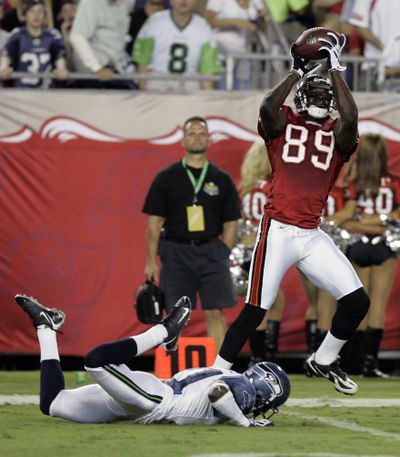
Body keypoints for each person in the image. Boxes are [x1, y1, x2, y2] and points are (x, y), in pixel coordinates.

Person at [214, 31, 371, 396]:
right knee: (255, 310)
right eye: (313, 93)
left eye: (325, 95)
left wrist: (334, 71)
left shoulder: (338, 133)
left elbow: (351, 118)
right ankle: (214, 374)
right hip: (279, 230)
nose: (320, 98)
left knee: (357, 302)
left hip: (312, 235)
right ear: (300, 98)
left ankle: (325, 359)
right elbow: (267, 107)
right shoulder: (283, 123)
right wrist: (297, 72)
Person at [15, 293, 290, 426]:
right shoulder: (240, 389)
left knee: (51, 403)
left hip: (137, 401)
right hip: (154, 399)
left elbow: (219, 380)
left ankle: (46, 327)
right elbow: (219, 394)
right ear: (265, 391)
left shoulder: (227, 373)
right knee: (96, 361)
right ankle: (163, 331)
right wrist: (246, 422)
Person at [143, 116, 241, 351]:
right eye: (192, 133)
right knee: (175, 315)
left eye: (201, 133)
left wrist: (223, 252)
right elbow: (154, 224)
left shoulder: (222, 179)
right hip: (175, 251)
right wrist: (150, 262)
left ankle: (219, 371)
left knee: (215, 312)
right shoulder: (166, 178)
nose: (197, 137)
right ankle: (173, 374)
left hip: (211, 251)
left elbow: (231, 222)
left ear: (209, 140)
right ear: (183, 140)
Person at [341, 134, 400, 378]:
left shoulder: (353, 182)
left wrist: (363, 223)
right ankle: (369, 365)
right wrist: (380, 224)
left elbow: (347, 219)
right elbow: (395, 217)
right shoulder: (395, 181)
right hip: (384, 247)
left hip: (358, 246)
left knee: (360, 306)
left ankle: (355, 362)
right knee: (377, 306)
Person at [239, 138, 285, 363]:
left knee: (266, 300)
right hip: (264, 246)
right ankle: (262, 356)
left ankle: (262, 354)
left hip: (247, 249)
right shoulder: (271, 185)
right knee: (266, 302)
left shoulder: (244, 188)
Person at [133, 0, 222, 91]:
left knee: (193, 86)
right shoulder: (154, 22)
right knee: (154, 83)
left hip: (190, 80)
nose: (183, 1)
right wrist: (143, 92)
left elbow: (206, 73)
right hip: (158, 78)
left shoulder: (203, 27)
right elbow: (142, 63)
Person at [0, 0, 68, 88]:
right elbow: (6, 58)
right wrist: (4, 69)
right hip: (21, 90)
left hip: (46, 90)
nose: (36, 15)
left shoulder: (53, 36)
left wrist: (61, 69)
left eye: (40, 11)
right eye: (32, 11)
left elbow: (60, 59)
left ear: (45, 15)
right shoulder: (17, 35)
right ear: (25, 15)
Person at [69, 0, 135, 89]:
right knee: (126, 95)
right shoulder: (90, 3)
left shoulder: (124, 4)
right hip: (95, 69)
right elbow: (77, 36)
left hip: (115, 65)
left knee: (131, 92)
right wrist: (97, 68)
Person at [204, 0, 266, 90]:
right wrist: (236, 22)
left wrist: (262, 18)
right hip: (221, 54)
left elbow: (263, 28)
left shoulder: (257, 1)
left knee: (245, 94)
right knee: (223, 94)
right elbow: (208, 20)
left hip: (244, 53)